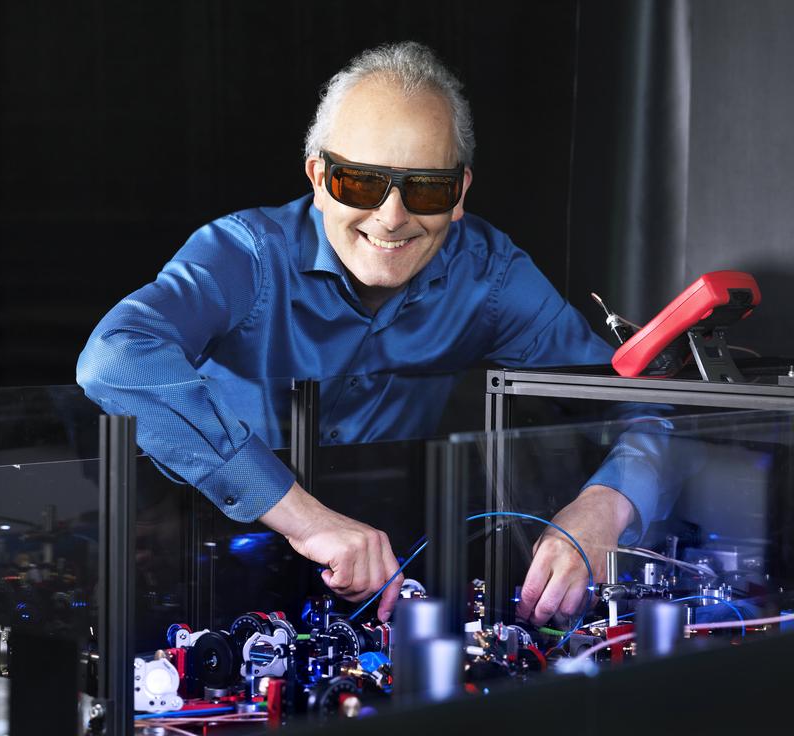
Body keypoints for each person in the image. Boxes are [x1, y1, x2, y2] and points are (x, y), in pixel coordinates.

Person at [77, 41, 662, 628]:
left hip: (384, 581)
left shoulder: (491, 276)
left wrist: (603, 509)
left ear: (458, 193)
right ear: (318, 177)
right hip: (202, 567)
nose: (391, 217)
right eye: (360, 184)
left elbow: (654, 408)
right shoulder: (245, 255)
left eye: (426, 188)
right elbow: (113, 357)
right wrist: (307, 519)